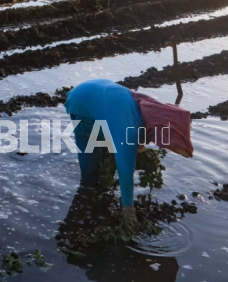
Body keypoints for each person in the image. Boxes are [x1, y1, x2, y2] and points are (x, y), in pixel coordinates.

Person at [65, 79, 193, 224]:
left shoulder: (150, 109)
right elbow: (125, 170)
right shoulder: (129, 128)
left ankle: (92, 197)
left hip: (99, 95)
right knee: (90, 167)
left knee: (110, 141)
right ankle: (86, 196)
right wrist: (128, 210)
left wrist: (137, 144)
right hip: (81, 103)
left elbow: (138, 124)